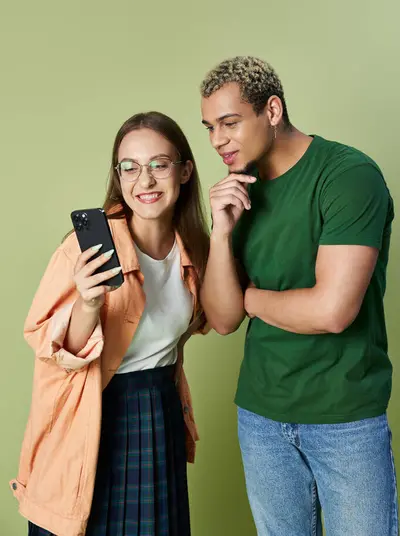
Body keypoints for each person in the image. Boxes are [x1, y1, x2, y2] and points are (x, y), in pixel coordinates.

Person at [200, 56, 398, 536]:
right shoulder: (238, 192)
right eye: (209, 127)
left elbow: (332, 311)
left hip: (343, 416)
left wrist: (249, 298)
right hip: (260, 417)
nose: (217, 140)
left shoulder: (347, 176)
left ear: (272, 110)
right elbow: (221, 319)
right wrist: (221, 234)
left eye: (229, 123)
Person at [10, 111, 209, 536]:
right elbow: (57, 352)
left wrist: (227, 231)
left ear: (185, 170)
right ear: (117, 177)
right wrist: (87, 302)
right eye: (130, 168)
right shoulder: (81, 251)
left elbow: (218, 318)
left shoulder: (194, 250)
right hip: (91, 413)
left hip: (158, 413)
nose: (145, 181)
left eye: (159, 164)